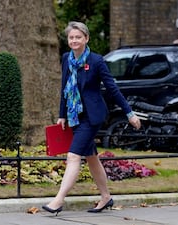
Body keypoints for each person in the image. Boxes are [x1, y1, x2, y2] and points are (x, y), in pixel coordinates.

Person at [42, 21, 141, 215]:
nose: (74, 40)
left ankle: (58, 200)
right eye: (71, 37)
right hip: (74, 117)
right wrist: (62, 115)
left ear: (86, 39)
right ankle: (106, 197)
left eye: (78, 37)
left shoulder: (96, 61)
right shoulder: (66, 59)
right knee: (92, 158)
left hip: (92, 117)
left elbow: (112, 88)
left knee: (73, 156)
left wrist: (129, 113)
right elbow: (64, 89)